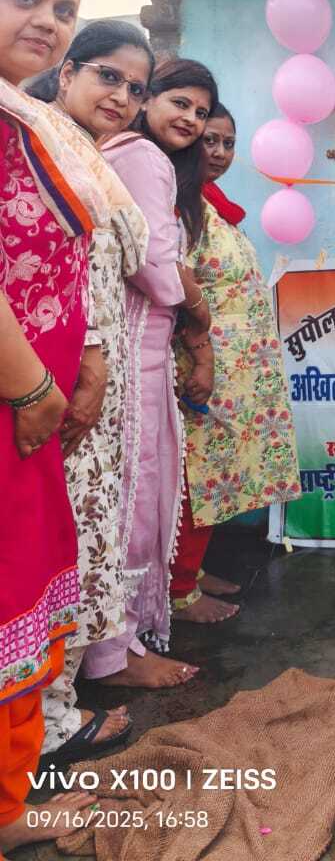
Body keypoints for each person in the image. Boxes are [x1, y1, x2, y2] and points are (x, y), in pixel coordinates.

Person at [0, 0, 113, 850]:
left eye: (64, 7)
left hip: (28, 413)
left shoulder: (22, 117)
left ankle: (5, 808)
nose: (47, 20)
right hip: (13, 403)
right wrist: (34, 386)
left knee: (20, 596)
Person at [26, 24, 155, 762]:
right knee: (53, 546)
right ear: (67, 71)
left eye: (136, 88)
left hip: (91, 381)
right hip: (54, 377)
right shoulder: (37, 141)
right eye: (109, 76)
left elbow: (122, 257)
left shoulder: (84, 154)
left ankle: (56, 708)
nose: (123, 96)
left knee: (81, 540)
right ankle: (44, 725)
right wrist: (90, 362)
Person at [82, 58, 218, 689]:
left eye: (201, 111)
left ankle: (121, 641)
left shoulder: (138, 157)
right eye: (178, 102)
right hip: (134, 351)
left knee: (131, 498)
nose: (191, 119)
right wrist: (198, 310)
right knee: (134, 500)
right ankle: (115, 656)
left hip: (140, 346)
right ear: (147, 102)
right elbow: (156, 265)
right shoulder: (140, 156)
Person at [169, 104, 301, 621]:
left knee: (218, 471)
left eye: (228, 142)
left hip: (235, 367)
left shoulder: (214, 204)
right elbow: (178, 281)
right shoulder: (177, 203)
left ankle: (192, 571)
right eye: (210, 140)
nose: (221, 152)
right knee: (196, 476)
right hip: (201, 364)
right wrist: (201, 357)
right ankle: (178, 590)